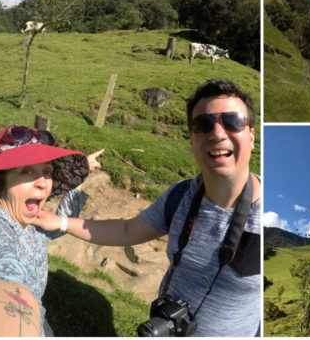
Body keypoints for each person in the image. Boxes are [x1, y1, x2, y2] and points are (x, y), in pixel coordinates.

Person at [33, 79, 261, 337]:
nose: (218, 133)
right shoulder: (180, 196)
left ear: (251, 136)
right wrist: (60, 223)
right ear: (192, 141)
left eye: (232, 121)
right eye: (203, 124)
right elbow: (128, 230)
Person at [0, 125, 102, 336]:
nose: (43, 183)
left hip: (40, 322)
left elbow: (58, 227)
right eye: (27, 171)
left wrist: (79, 179)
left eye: (47, 172)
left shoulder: (31, 222)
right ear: (0, 179)